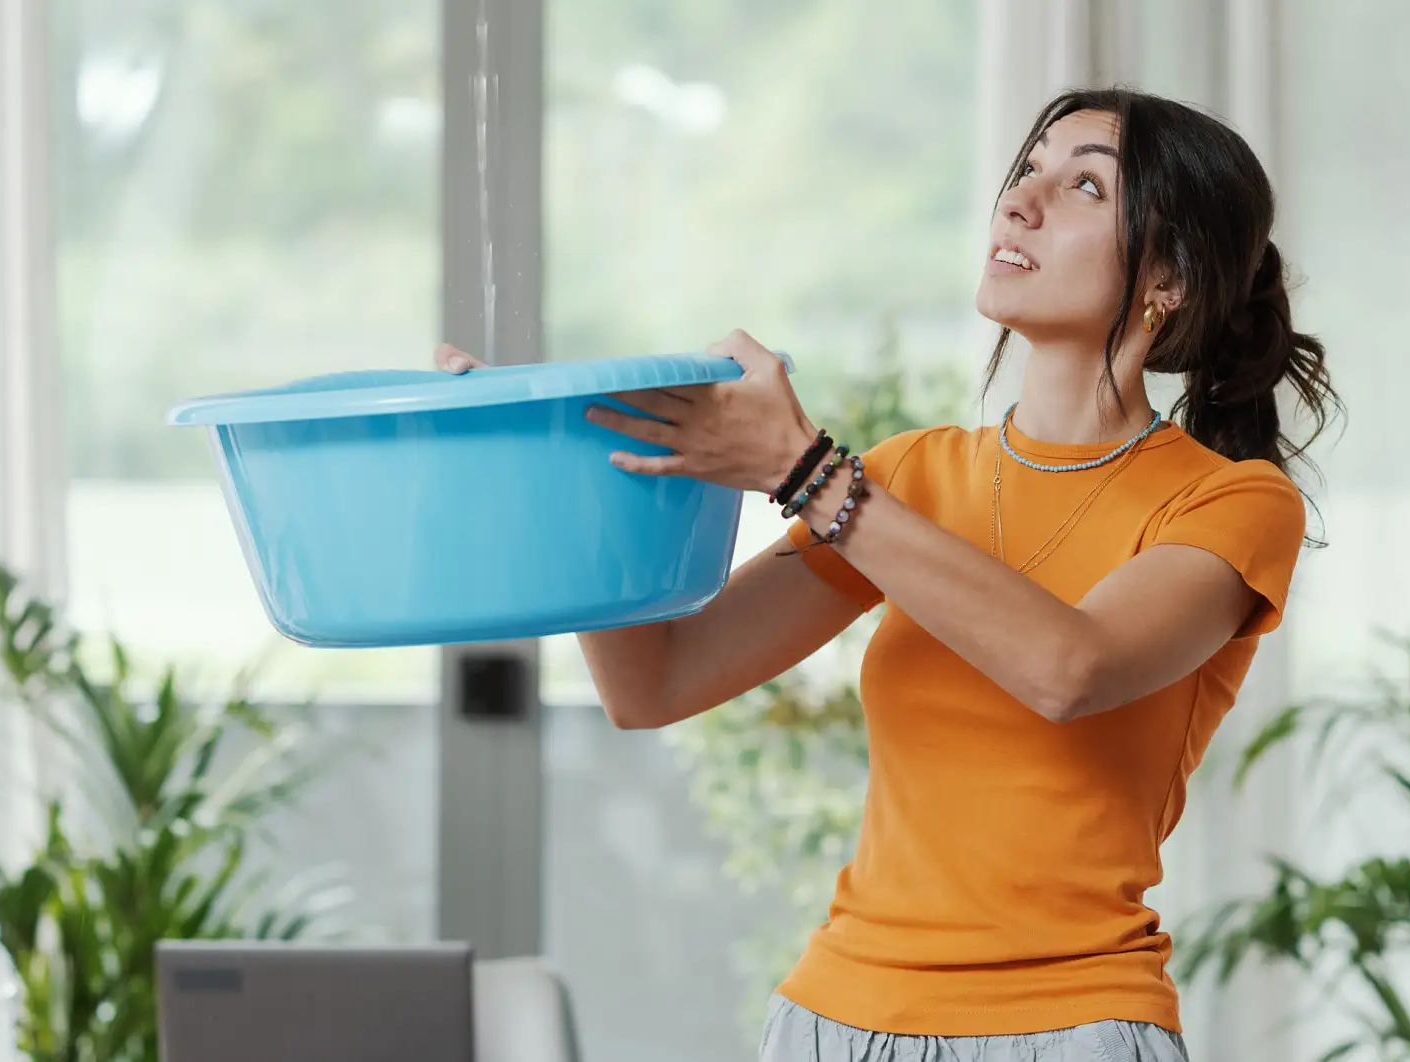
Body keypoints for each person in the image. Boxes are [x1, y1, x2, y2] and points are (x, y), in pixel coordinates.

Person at [437, 86, 1338, 1062]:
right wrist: (561, 465)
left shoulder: (1231, 505)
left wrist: (806, 474)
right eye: (1026, 170)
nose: (1021, 202)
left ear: (1169, 276)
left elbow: (1068, 669)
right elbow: (654, 683)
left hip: (1066, 1026)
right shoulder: (912, 477)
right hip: (832, 1016)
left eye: (1083, 185)